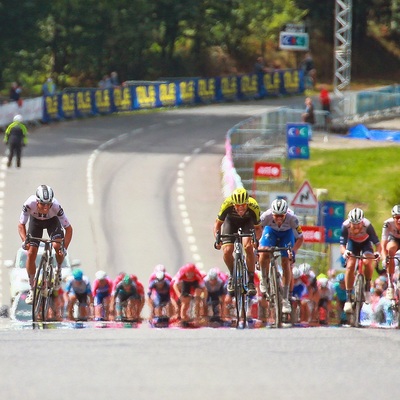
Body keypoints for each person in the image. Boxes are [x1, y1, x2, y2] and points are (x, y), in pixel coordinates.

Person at [18, 185, 73, 305]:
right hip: (35, 223)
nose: (45, 207)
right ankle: (32, 289)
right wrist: (24, 241)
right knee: (31, 253)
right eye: (42, 204)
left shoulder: (56, 207)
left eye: (48, 204)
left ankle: (57, 270)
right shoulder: (29, 204)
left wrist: (64, 248)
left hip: (52, 222)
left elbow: (69, 229)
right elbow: (21, 224)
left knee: (57, 246)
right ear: (37, 201)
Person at [213, 187, 262, 297]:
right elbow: (217, 225)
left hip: (247, 223)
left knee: (248, 247)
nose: (240, 208)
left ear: (247, 203)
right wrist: (217, 239)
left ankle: (250, 281)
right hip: (231, 223)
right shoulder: (227, 204)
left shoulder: (253, 205)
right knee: (227, 251)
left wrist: (256, 240)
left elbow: (258, 229)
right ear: (233, 204)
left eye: (243, 205)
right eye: (237, 206)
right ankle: (232, 275)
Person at [258, 198, 304, 314]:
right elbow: (257, 231)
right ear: (272, 213)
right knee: (264, 253)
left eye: (281, 216)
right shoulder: (266, 216)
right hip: (271, 232)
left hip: (286, 234)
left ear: (285, 214)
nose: (278, 218)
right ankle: (264, 279)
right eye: (276, 216)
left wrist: (292, 251)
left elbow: (300, 238)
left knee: (286, 262)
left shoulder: (292, 218)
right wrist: (256, 247)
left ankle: (285, 299)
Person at [340, 208, 381, 313]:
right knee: (350, 265)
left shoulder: (368, 225)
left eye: (359, 224)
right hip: (352, 244)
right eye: (354, 224)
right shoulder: (345, 226)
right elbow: (342, 245)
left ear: (362, 222)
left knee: (368, 262)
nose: (357, 226)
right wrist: (345, 252)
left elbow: (377, 244)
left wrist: (377, 253)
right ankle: (348, 299)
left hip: (365, 243)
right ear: (350, 222)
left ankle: (367, 286)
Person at [381, 205, 400, 299]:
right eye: (397, 217)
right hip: (394, 240)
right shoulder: (388, 223)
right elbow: (383, 244)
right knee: (390, 248)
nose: (399, 220)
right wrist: (384, 259)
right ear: (393, 218)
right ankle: (390, 285)